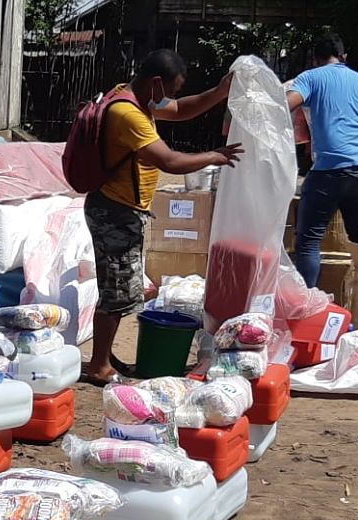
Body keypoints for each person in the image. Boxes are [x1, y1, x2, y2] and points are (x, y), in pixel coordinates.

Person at [83, 49, 242, 386]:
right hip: (115, 210)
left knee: (118, 287)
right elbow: (167, 160)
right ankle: (99, 366)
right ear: (156, 83)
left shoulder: (132, 96)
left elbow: (182, 110)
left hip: (122, 208)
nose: (172, 97)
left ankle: (103, 356)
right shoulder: (128, 115)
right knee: (116, 293)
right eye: (171, 89)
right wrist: (215, 155)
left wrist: (219, 92)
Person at [287, 34, 358, 288]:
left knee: (309, 240)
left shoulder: (311, 77)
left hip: (329, 172)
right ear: (344, 57)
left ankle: (306, 301)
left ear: (315, 58)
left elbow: (286, 105)